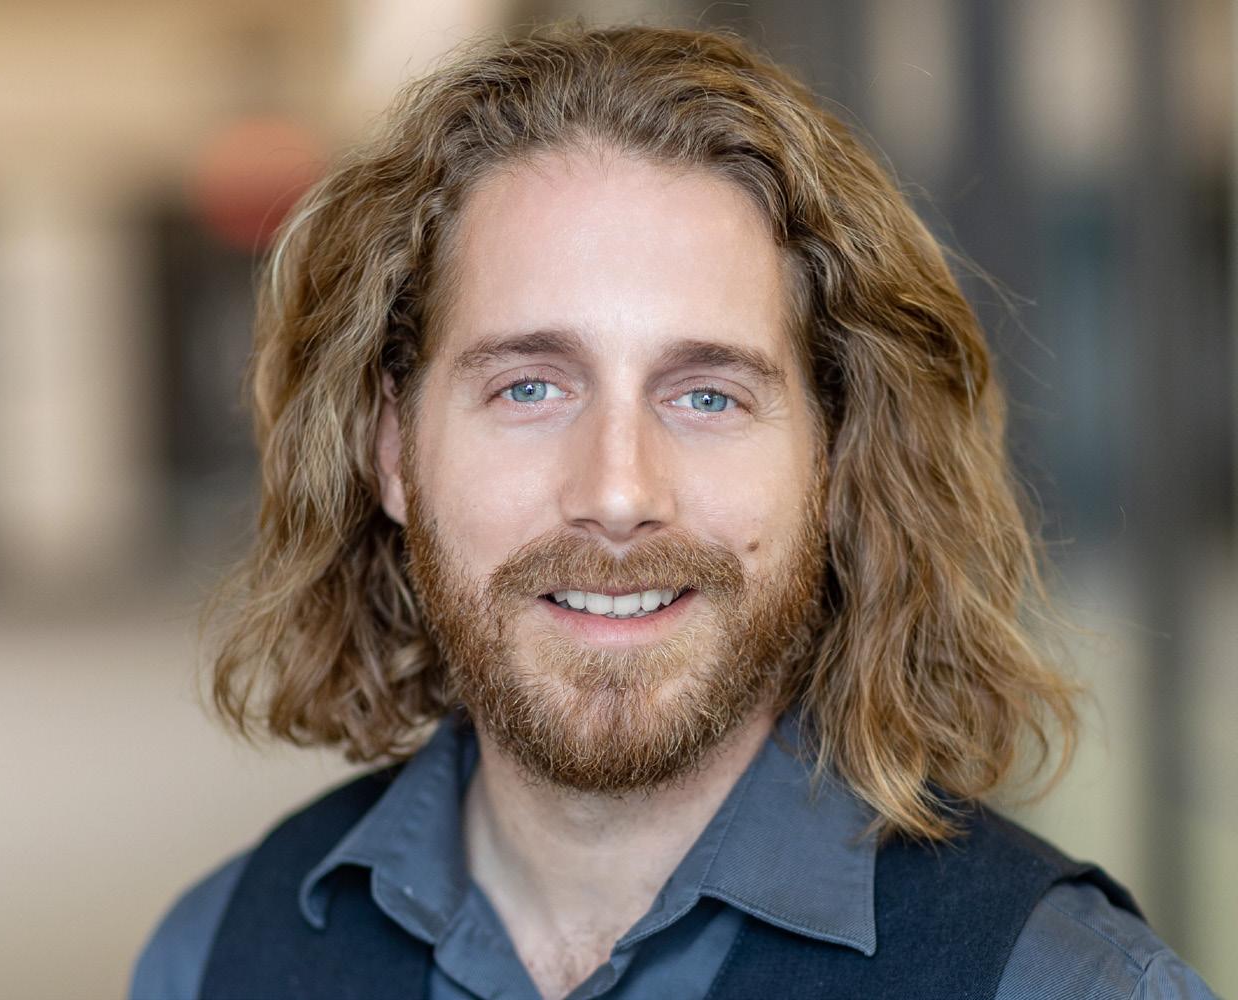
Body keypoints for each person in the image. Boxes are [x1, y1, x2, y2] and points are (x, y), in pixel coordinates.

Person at [131, 23, 1216, 1000]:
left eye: (707, 396)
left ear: (832, 459)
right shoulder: (213, 961)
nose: (617, 492)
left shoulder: (1069, 986)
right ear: (391, 450)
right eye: (530, 387)